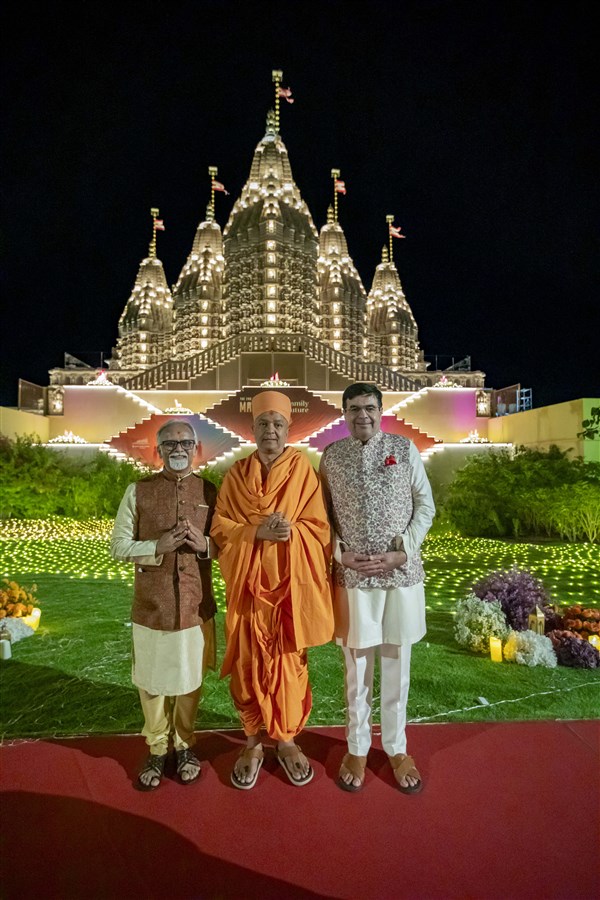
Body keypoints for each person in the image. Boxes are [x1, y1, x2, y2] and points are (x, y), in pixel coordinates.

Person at [210, 390, 334, 790]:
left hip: (287, 593)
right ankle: (251, 742)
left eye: (278, 424)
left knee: (290, 665)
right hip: (248, 592)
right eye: (263, 423)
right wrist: (257, 531)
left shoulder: (303, 473)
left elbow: (319, 530)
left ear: (288, 429)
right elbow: (220, 530)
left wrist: (291, 532)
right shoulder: (235, 475)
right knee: (247, 665)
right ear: (252, 429)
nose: (270, 431)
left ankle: (287, 740)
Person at [319, 383, 435, 794]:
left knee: (395, 663)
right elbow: (323, 516)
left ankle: (397, 747)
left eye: (369, 407)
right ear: (344, 413)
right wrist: (339, 553)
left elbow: (425, 505)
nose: (361, 415)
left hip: (400, 574)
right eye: (353, 409)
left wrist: (404, 550)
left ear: (382, 410)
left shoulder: (403, 450)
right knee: (357, 667)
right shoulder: (332, 456)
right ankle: (357, 746)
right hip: (354, 577)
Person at [111, 419, 217, 791]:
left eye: (185, 443)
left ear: (195, 448)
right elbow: (118, 546)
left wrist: (205, 545)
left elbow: (225, 544)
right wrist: (157, 546)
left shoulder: (210, 490)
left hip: (195, 604)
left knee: (190, 680)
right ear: (158, 450)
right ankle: (157, 746)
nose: (178, 449)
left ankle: (185, 745)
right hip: (151, 605)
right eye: (170, 444)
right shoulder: (138, 491)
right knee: (152, 683)